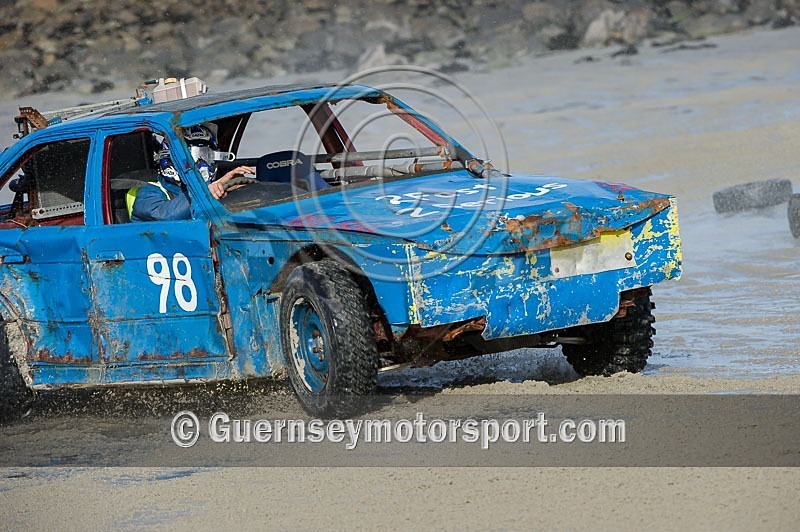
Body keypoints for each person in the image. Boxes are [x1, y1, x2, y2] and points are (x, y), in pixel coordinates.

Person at [130, 124, 253, 222]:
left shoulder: (214, 188)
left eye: (207, 155)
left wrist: (240, 193)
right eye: (195, 156)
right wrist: (206, 192)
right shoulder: (148, 193)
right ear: (170, 158)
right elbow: (167, 215)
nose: (202, 163)